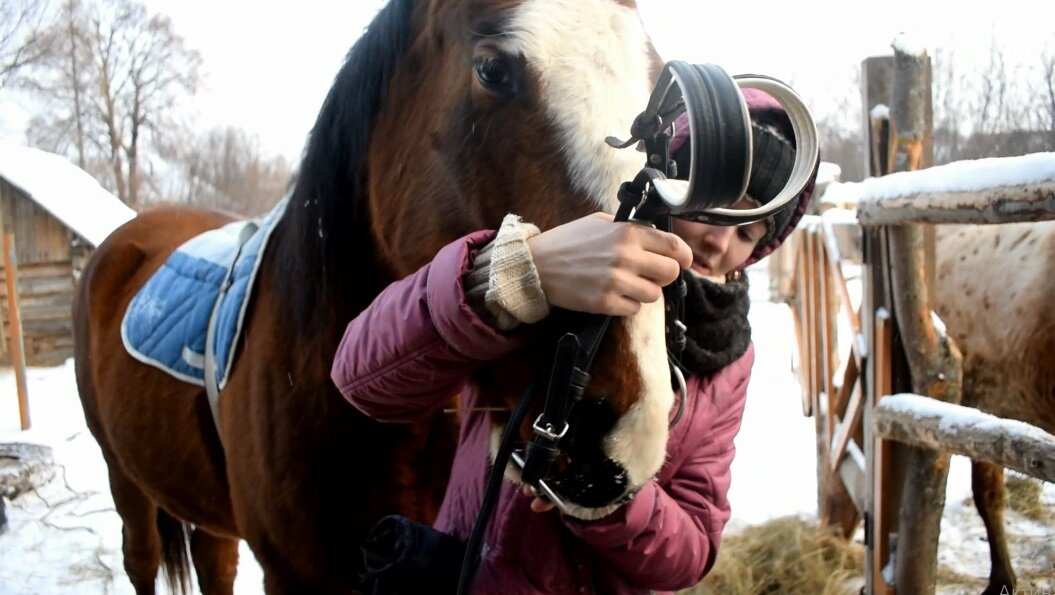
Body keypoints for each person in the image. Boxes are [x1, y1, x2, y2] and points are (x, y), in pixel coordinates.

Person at [331, 88, 818, 594]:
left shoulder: (729, 356)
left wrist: (610, 499)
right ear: (670, 183)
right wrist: (516, 274)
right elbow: (363, 375)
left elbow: (693, 550)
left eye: (748, 231)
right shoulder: (574, 259)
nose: (721, 241)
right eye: (715, 208)